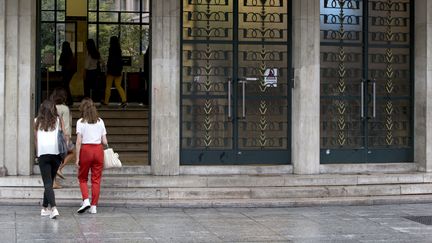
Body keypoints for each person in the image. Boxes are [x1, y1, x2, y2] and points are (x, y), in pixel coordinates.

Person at [76, 98, 108, 214]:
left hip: (86, 150)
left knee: (82, 177)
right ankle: (94, 206)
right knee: (96, 179)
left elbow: (79, 141)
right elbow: (104, 141)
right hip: (98, 150)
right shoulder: (100, 121)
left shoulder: (80, 122)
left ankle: (86, 200)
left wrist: (77, 158)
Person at [34, 99, 64, 219]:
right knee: (50, 181)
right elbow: (63, 136)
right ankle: (49, 207)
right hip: (56, 153)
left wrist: (37, 154)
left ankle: (49, 208)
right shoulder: (58, 120)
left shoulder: (36, 121)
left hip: (43, 154)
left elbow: (36, 139)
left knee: (48, 182)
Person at [50, 87, 74, 186]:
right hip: (62, 135)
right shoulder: (65, 109)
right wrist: (67, 137)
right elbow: (66, 124)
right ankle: (59, 168)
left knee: (54, 156)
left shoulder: (50, 107)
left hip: (51, 135)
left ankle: (54, 182)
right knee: (73, 151)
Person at [103, 36, 127, 107]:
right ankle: (124, 100)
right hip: (118, 70)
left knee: (108, 86)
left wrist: (107, 69)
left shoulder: (111, 49)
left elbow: (110, 60)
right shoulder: (119, 50)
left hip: (111, 71)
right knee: (118, 86)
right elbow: (120, 61)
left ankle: (106, 102)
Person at [59, 41, 76, 106]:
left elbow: (60, 62)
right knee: (66, 85)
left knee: (65, 86)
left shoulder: (63, 53)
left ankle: (68, 100)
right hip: (70, 72)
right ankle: (68, 100)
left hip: (65, 71)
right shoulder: (70, 53)